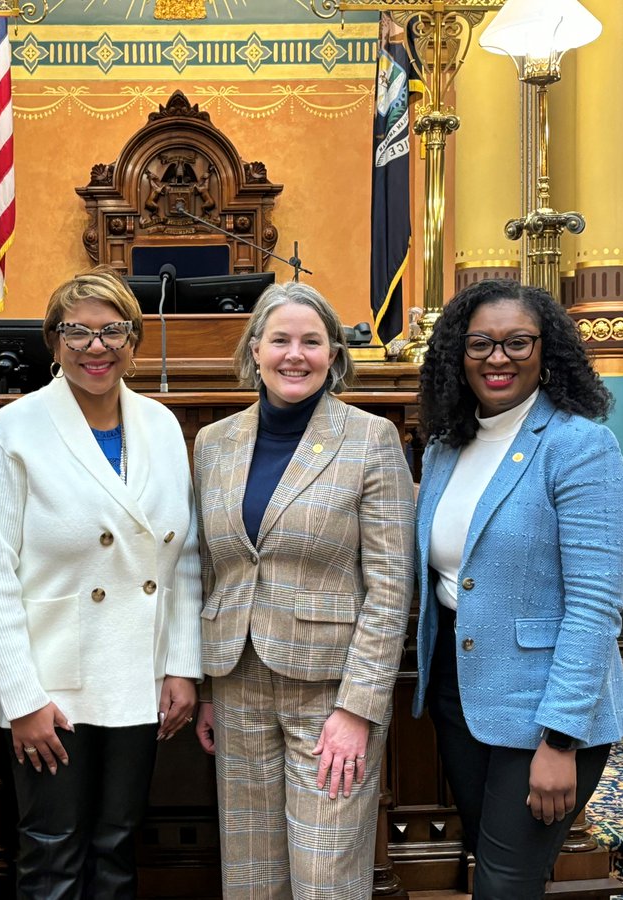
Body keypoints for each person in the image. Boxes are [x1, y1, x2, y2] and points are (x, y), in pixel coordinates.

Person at [0, 266, 201, 899]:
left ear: (134, 340)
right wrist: (22, 698)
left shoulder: (161, 425)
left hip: (138, 674)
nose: (96, 346)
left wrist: (183, 665)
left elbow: (183, 557)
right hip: (52, 684)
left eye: (113, 331)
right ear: (53, 340)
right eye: (77, 331)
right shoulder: (16, 427)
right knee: (53, 853)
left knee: (117, 847)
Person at [192, 281, 414, 899]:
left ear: (333, 354)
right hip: (237, 682)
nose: (295, 355)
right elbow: (210, 569)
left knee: (325, 876)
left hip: (331, 694)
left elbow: (391, 586)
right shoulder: (214, 443)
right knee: (250, 876)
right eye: (280, 340)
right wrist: (207, 687)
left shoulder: (371, 438)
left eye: (311, 342)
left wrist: (358, 709)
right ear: (255, 350)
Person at [411, 279, 623, 899]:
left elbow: (595, 606)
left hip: (545, 706)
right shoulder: (444, 448)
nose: (498, 358)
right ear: (458, 353)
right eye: (480, 343)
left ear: (546, 350)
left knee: (506, 883)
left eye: (517, 342)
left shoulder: (579, 445)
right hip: (460, 692)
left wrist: (561, 738)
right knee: (492, 866)